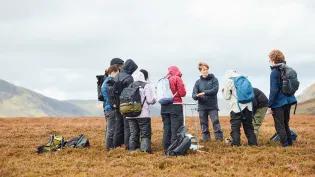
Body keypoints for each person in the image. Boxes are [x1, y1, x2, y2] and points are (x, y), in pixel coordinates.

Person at [268, 49, 297, 147]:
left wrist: (269, 105)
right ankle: (289, 143)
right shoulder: (286, 69)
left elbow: (273, 90)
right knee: (285, 123)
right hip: (288, 101)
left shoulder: (274, 72)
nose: (268, 61)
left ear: (273, 59)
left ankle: (285, 145)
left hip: (278, 103)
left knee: (279, 125)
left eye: (269, 59)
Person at [222, 70, 257, 146]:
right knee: (249, 127)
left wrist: (223, 91)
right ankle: (253, 144)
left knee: (235, 127)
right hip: (248, 107)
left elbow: (226, 96)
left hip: (236, 107)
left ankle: (236, 144)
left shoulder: (229, 81)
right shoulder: (245, 79)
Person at [192, 62, 223, 141]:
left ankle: (219, 140)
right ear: (200, 71)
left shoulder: (214, 79)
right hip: (202, 107)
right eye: (203, 69)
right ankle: (206, 140)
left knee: (216, 122)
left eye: (206, 69)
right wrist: (196, 96)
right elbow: (194, 94)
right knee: (203, 124)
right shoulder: (197, 82)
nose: (205, 71)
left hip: (213, 106)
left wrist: (204, 92)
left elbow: (215, 90)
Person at [127, 69, 156, 153]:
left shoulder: (130, 86)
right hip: (143, 114)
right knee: (145, 133)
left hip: (130, 114)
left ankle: (132, 150)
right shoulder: (146, 85)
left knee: (133, 133)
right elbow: (150, 100)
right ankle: (145, 151)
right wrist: (154, 99)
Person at [113, 59, 138, 149]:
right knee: (127, 126)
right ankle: (127, 145)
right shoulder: (129, 78)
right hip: (125, 105)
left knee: (118, 125)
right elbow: (130, 92)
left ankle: (116, 145)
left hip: (116, 104)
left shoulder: (117, 76)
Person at [161, 66, 186, 152]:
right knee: (176, 128)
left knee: (166, 128)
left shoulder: (164, 79)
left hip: (164, 106)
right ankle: (174, 149)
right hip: (175, 105)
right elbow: (183, 93)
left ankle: (165, 147)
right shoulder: (177, 78)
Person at [101, 65, 120, 149]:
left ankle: (109, 147)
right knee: (111, 129)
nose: (118, 75)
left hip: (107, 107)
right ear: (113, 72)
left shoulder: (105, 82)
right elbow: (111, 96)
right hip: (111, 108)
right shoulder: (110, 82)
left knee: (109, 128)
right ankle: (109, 148)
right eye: (117, 73)